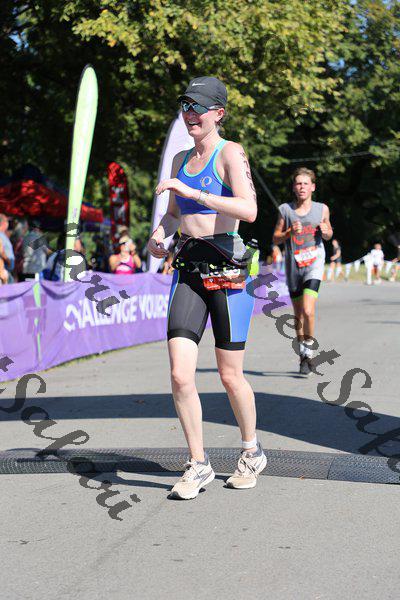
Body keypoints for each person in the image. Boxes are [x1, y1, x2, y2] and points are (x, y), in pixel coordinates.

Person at [147, 76, 266, 500]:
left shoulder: (230, 152)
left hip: (227, 271)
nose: (190, 114)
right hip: (188, 270)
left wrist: (193, 191)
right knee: (180, 374)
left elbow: (249, 210)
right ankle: (198, 463)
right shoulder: (180, 158)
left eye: (198, 107)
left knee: (230, 376)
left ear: (219, 113)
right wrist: (158, 237)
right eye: (185, 105)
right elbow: (172, 215)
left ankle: (251, 450)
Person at [273, 167, 333, 376]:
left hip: (314, 264)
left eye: (305, 183)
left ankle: (309, 350)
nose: (302, 187)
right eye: (298, 183)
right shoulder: (285, 210)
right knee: (298, 315)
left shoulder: (322, 209)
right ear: (293, 187)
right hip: (293, 267)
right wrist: (289, 232)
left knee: (308, 310)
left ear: (313, 187)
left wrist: (326, 232)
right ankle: (303, 355)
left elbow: (328, 232)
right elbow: (275, 238)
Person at [0, 214, 15, 283]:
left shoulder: (3, 235)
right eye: (7, 221)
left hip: (5, 271)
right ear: (3, 223)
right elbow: (1, 251)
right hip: (2, 271)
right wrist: (8, 261)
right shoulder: (1, 236)